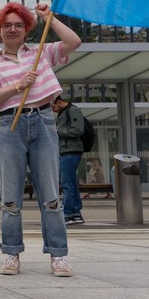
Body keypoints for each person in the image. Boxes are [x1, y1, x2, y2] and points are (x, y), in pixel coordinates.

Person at [0, 2, 81, 277]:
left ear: (27, 29)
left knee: (50, 195)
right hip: (8, 124)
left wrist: (50, 18)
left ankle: (58, 255)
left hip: (43, 120)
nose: (12, 29)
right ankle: (12, 253)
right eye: (7, 25)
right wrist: (17, 85)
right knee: (11, 196)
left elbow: (73, 41)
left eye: (18, 25)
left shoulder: (41, 53)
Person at [51, 95, 85, 224]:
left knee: (67, 184)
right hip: (67, 150)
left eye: (53, 106)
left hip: (70, 151)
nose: (52, 109)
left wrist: (57, 131)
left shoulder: (73, 110)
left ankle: (68, 213)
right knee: (70, 183)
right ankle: (75, 213)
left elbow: (78, 129)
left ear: (59, 102)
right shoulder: (64, 112)